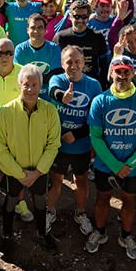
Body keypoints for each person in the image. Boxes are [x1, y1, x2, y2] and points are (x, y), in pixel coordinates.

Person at [85, 56, 136, 259]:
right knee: (102, 199)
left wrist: (131, 163)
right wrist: (115, 165)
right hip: (106, 164)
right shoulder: (100, 101)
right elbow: (96, 137)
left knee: (129, 201)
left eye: (126, 71)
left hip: (132, 165)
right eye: (118, 71)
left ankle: (126, 236)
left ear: (133, 74)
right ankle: (99, 232)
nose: (122, 76)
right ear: (111, 73)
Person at [0, 64, 62, 257]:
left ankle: (42, 233)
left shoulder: (50, 111)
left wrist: (38, 171)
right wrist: (21, 174)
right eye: (26, 84)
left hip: (39, 171)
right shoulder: (6, 112)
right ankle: (7, 236)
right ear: (19, 85)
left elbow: (53, 144)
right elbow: (0, 147)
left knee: (40, 200)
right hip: (13, 171)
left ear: (41, 86)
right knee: (10, 200)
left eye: (34, 84)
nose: (30, 89)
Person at [46, 46, 102, 236]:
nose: (74, 65)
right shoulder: (58, 79)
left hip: (81, 145)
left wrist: (76, 135)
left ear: (84, 63)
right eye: (69, 62)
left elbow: (95, 119)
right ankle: (49, 211)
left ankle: (80, 212)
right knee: (56, 181)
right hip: (58, 145)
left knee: (82, 181)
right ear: (62, 64)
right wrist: (63, 96)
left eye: (77, 61)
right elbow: (53, 91)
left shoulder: (94, 85)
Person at [56, 0, 110, 86]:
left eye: (84, 16)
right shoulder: (61, 37)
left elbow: (104, 65)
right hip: (67, 84)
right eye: (76, 16)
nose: (80, 20)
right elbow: (55, 65)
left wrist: (102, 85)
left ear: (88, 17)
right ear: (70, 16)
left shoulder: (97, 36)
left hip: (92, 85)